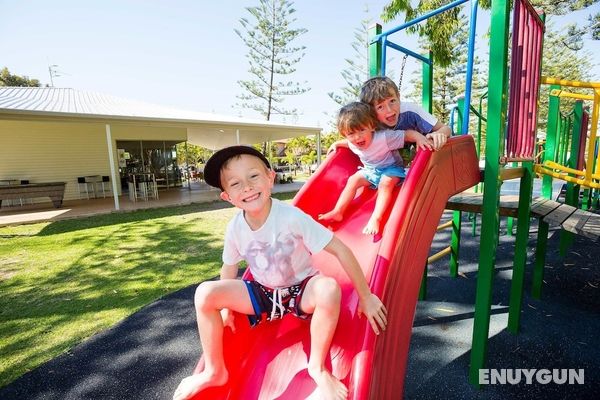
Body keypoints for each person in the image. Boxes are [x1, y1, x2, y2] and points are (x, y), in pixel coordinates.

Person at [173, 145, 387, 400]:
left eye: (253, 176)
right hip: (263, 294)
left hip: (300, 290)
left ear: (270, 177)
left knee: (328, 288)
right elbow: (229, 267)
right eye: (236, 183)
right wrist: (227, 308)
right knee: (205, 293)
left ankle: (317, 367)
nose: (247, 188)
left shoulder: (291, 217)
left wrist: (366, 296)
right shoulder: (235, 229)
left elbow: (341, 250)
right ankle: (214, 370)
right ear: (227, 197)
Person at [318, 102, 435, 235]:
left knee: (385, 183)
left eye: (362, 130)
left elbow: (407, 134)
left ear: (372, 126)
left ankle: (376, 218)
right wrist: (336, 143)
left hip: (391, 169)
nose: (357, 137)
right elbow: (347, 143)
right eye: (351, 133)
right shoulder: (352, 143)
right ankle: (338, 211)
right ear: (345, 134)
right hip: (370, 171)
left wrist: (419, 138)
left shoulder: (383, 138)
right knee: (353, 180)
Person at [360, 76, 451, 148]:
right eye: (380, 107)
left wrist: (438, 134)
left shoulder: (411, 111)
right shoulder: (370, 123)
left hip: (423, 152)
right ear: (371, 110)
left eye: (392, 101)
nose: (389, 110)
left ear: (398, 97)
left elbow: (446, 128)